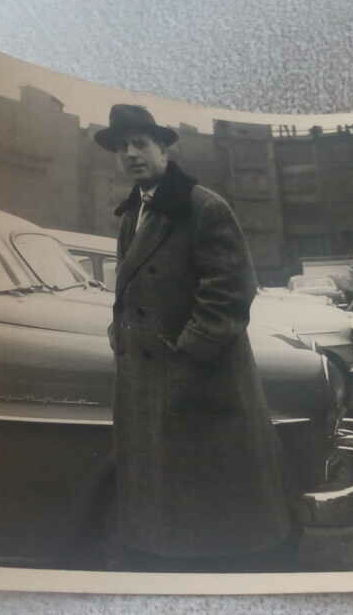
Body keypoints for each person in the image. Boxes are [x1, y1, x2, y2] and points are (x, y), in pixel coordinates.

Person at [95, 104, 296, 569]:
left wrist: (186, 357)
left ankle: (223, 572)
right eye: (122, 147)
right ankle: (171, 562)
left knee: (212, 498)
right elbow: (134, 285)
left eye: (141, 144)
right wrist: (120, 331)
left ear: (164, 148)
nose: (131, 154)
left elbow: (229, 293)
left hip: (200, 380)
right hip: (150, 375)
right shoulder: (134, 211)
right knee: (166, 492)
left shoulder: (202, 206)